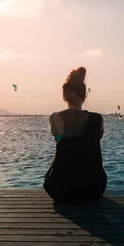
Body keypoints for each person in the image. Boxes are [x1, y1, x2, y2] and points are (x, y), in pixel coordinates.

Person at [43, 67, 107, 201]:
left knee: (58, 152)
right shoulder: (97, 119)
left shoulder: (55, 118)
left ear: (64, 96)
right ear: (84, 96)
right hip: (94, 189)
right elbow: (96, 138)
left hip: (60, 190)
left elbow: (58, 138)